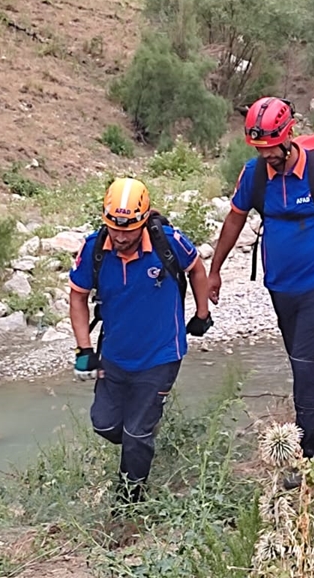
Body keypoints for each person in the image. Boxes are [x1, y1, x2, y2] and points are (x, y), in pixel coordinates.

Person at [208, 96, 314, 484]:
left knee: (305, 363)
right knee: (301, 360)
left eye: (272, 146)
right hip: (280, 287)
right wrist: (214, 270)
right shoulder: (254, 175)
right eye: (260, 148)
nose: (267, 154)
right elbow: (235, 220)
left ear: (289, 136)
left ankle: (309, 456)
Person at [68, 177, 214, 509]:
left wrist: (202, 314)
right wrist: (84, 348)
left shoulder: (168, 241)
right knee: (105, 424)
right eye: (114, 228)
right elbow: (77, 297)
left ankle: (129, 504)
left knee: (136, 434)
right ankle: (143, 440)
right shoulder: (94, 249)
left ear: (144, 220)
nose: (121, 236)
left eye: (129, 229)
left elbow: (196, 269)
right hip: (116, 355)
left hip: (162, 353)